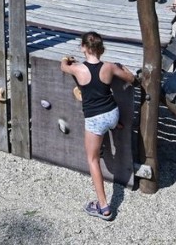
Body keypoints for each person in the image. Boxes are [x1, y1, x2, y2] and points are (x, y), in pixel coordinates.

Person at [59, 31, 139, 222]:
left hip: (95, 119)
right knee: (111, 118)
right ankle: (116, 125)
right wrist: (122, 68)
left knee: (92, 159)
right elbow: (132, 79)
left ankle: (103, 207)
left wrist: (66, 59)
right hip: (113, 113)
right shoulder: (109, 67)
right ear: (101, 49)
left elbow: (63, 66)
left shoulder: (78, 69)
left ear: (83, 48)